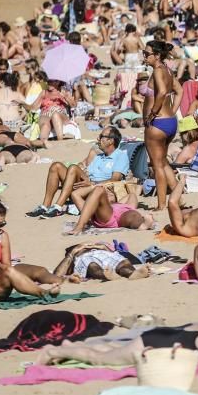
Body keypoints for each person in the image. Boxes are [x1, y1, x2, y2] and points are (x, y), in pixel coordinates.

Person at [35, 324, 198, 367]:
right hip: (153, 342)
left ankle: (67, 346)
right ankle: (53, 351)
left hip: (158, 338)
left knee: (109, 351)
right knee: (102, 360)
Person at [36, 126, 129, 213]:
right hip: (86, 186)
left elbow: (115, 179)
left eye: (101, 136)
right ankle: (45, 206)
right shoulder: (99, 157)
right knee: (56, 166)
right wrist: (84, 173)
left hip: (100, 190)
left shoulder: (120, 156)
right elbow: (87, 173)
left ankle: (58, 207)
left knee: (73, 168)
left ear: (110, 141)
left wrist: (92, 184)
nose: (98, 139)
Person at [142, 40, 181, 210]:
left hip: (157, 123)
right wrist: (172, 110)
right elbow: (179, 91)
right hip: (170, 121)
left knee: (157, 165)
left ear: (157, 55)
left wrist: (153, 112)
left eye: (147, 54)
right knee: (163, 162)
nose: (144, 57)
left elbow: (164, 92)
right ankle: (178, 198)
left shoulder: (158, 70)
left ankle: (161, 204)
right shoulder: (168, 70)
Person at [66, 185, 154, 235]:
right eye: (107, 192)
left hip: (124, 211)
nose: (107, 191)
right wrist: (94, 187)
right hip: (110, 217)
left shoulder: (120, 204)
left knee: (132, 213)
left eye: (110, 192)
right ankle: (79, 226)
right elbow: (75, 194)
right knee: (131, 214)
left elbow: (132, 195)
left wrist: (118, 201)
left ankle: (142, 224)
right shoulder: (90, 209)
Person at [52, 242, 150, 281]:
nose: (86, 245)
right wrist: (73, 252)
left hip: (103, 253)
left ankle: (133, 274)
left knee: (122, 263)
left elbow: (116, 254)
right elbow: (57, 275)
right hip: (84, 257)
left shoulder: (99, 248)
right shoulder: (74, 255)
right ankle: (106, 275)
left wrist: (103, 247)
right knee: (92, 265)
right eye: (82, 245)